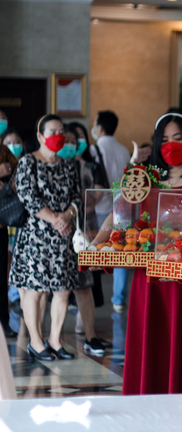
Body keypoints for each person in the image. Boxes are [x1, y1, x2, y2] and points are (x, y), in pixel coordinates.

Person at [121, 112, 182, 397]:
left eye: (178, 138)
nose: (171, 145)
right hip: (150, 280)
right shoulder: (146, 179)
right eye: (164, 140)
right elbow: (121, 216)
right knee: (152, 342)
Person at [10, 114, 81, 361]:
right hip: (36, 236)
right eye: (52, 131)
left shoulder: (69, 165)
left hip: (63, 237)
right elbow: (28, 196)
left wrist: (68, 216)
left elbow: (77, 197)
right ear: (40, 136)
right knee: (35, 291)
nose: (58, 136)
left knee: (63, 291)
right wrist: (55, 219)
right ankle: (36, 342)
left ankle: (55, 340)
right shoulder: (28, 162)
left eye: (61, 130)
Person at [64, 123, 108, 355]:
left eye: (77, 139)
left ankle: (90, 335)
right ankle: (49, 338)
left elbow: (97, 194)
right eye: (68, 138)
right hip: (59, 229)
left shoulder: (91, 166)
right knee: (57, 287)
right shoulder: (56, 167)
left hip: (86, 227)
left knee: (85, 282)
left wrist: (81, 203)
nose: (72, 144)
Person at [90, 110, 130, 313]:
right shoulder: (124, 150)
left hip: (100, 207)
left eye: (95, 123)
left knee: (96, 249)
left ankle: (92, 295)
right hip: (122, 207)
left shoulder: (94, 149)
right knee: (121, 248)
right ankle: (118, 298)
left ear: (100, 127)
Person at [0, 117, 17, 338]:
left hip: (1, 222)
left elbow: (17, 173)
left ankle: (3, 323)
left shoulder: (4, 150)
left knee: (0, 275)